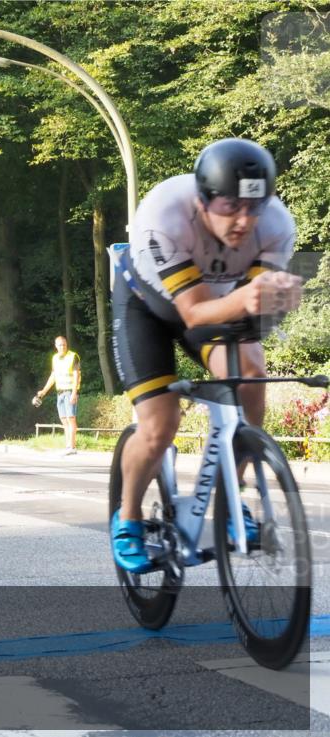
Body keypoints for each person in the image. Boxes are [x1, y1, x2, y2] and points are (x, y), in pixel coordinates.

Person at [110, 138, 302, 573]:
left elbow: (251, 312)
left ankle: (235, 495)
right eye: (231, 207)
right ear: (203, 201)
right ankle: (128, 519)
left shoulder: (276, 224)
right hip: (149, 309)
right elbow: (193, 313)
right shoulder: (164, 215)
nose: (243, 221)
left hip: (216, 307)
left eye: (254, 208)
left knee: (251, 374)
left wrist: (280, 299)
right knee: (161, 425)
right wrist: (257, 296)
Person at [35, 337, 81, 455]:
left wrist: (74, 393)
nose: (63, 347)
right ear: (56, 346)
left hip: (70, 391)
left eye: (64, 345)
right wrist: (44, 391)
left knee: (71, 418)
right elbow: (53, 376)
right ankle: (67, 446)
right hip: (60, 392)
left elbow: (76, 375)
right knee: (64, 420)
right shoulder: (55, 358)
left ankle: (72, 447)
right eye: (60, 345)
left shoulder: (73, 356)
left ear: (67, 345)